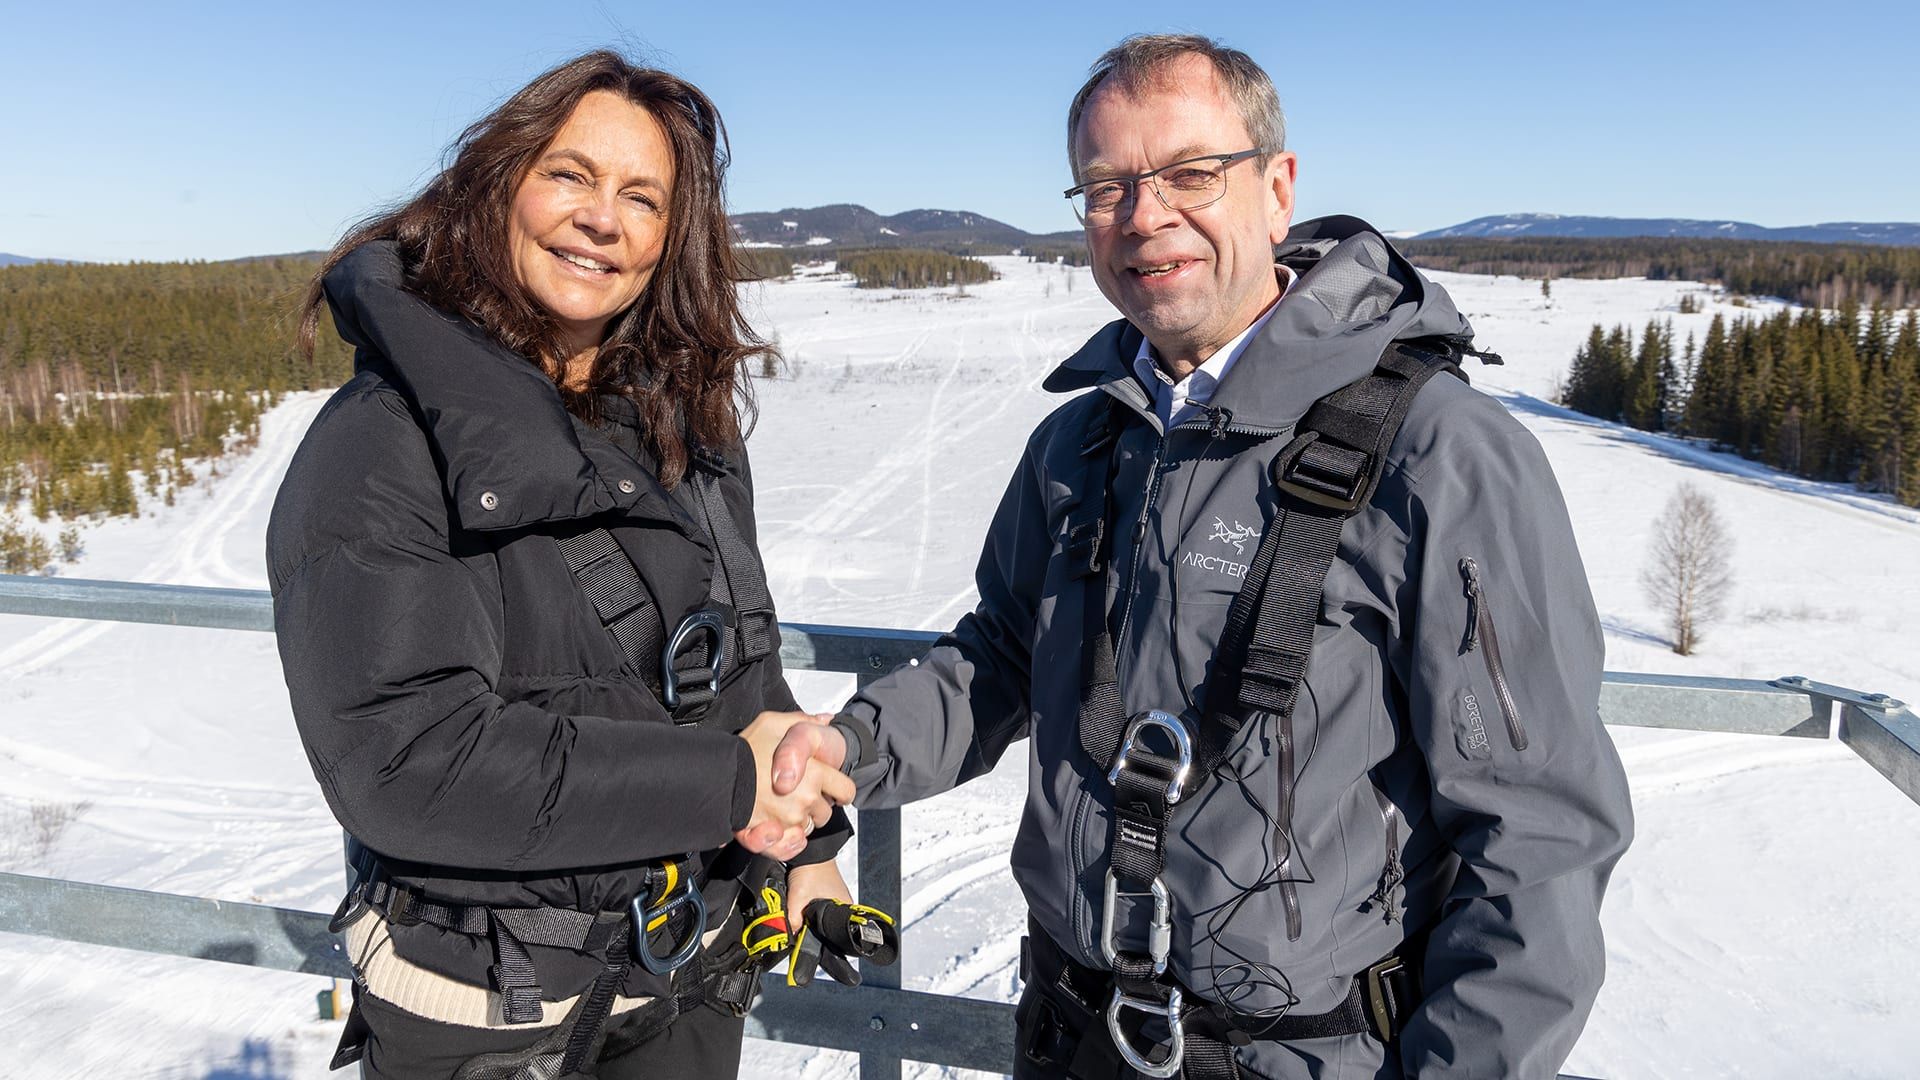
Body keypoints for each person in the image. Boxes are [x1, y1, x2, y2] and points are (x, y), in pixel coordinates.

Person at [764, 34, 1634, 1079]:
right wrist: (849, 750)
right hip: (1070, 1030)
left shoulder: (1442, 456)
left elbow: (1538, 841)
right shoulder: (1080, 446)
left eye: (1189, 174)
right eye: (1106, 187)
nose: (1144, 217)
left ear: (1277, 190)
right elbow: (998, 657)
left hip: (1305, 1055)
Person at [268, 51, 861, 1080]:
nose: (603, 219)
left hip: (687, 975)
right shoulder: (383, 444)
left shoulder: (683, 416)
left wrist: (806, 847)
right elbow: (415, 767)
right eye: (570, 175)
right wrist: (731, 782)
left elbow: (735, 662)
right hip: (496, 1016)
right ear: (496, 185)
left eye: (643, 197)